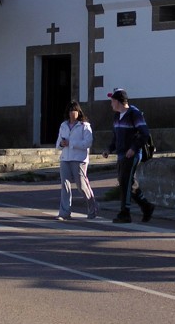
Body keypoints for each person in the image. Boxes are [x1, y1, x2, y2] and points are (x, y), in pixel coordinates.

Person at [101, 88, 156, 223]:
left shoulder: (134, 114)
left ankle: (125, 213)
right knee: (128, 183)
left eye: (112, 101)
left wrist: (133, 148)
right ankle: (147, 207)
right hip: (121, 154)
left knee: (125, 182)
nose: (111, 104)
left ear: (119, 101)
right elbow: (116, 137)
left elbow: (144, 133)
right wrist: (109, 149)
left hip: (132, 154)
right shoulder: (117, 116)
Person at [55, 101, 99, 221]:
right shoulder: (64, 125)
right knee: (65, 185)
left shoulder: (84, 125)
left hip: (79, 159)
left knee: (81, 185)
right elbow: (58, 144)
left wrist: (71, 143)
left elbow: (87, 143)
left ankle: (92, 207)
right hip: (65, 158)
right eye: (70, 111)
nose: (72, 113)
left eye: (74, 111)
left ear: (79, 112)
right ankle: (64, 212)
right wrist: (62, 144)